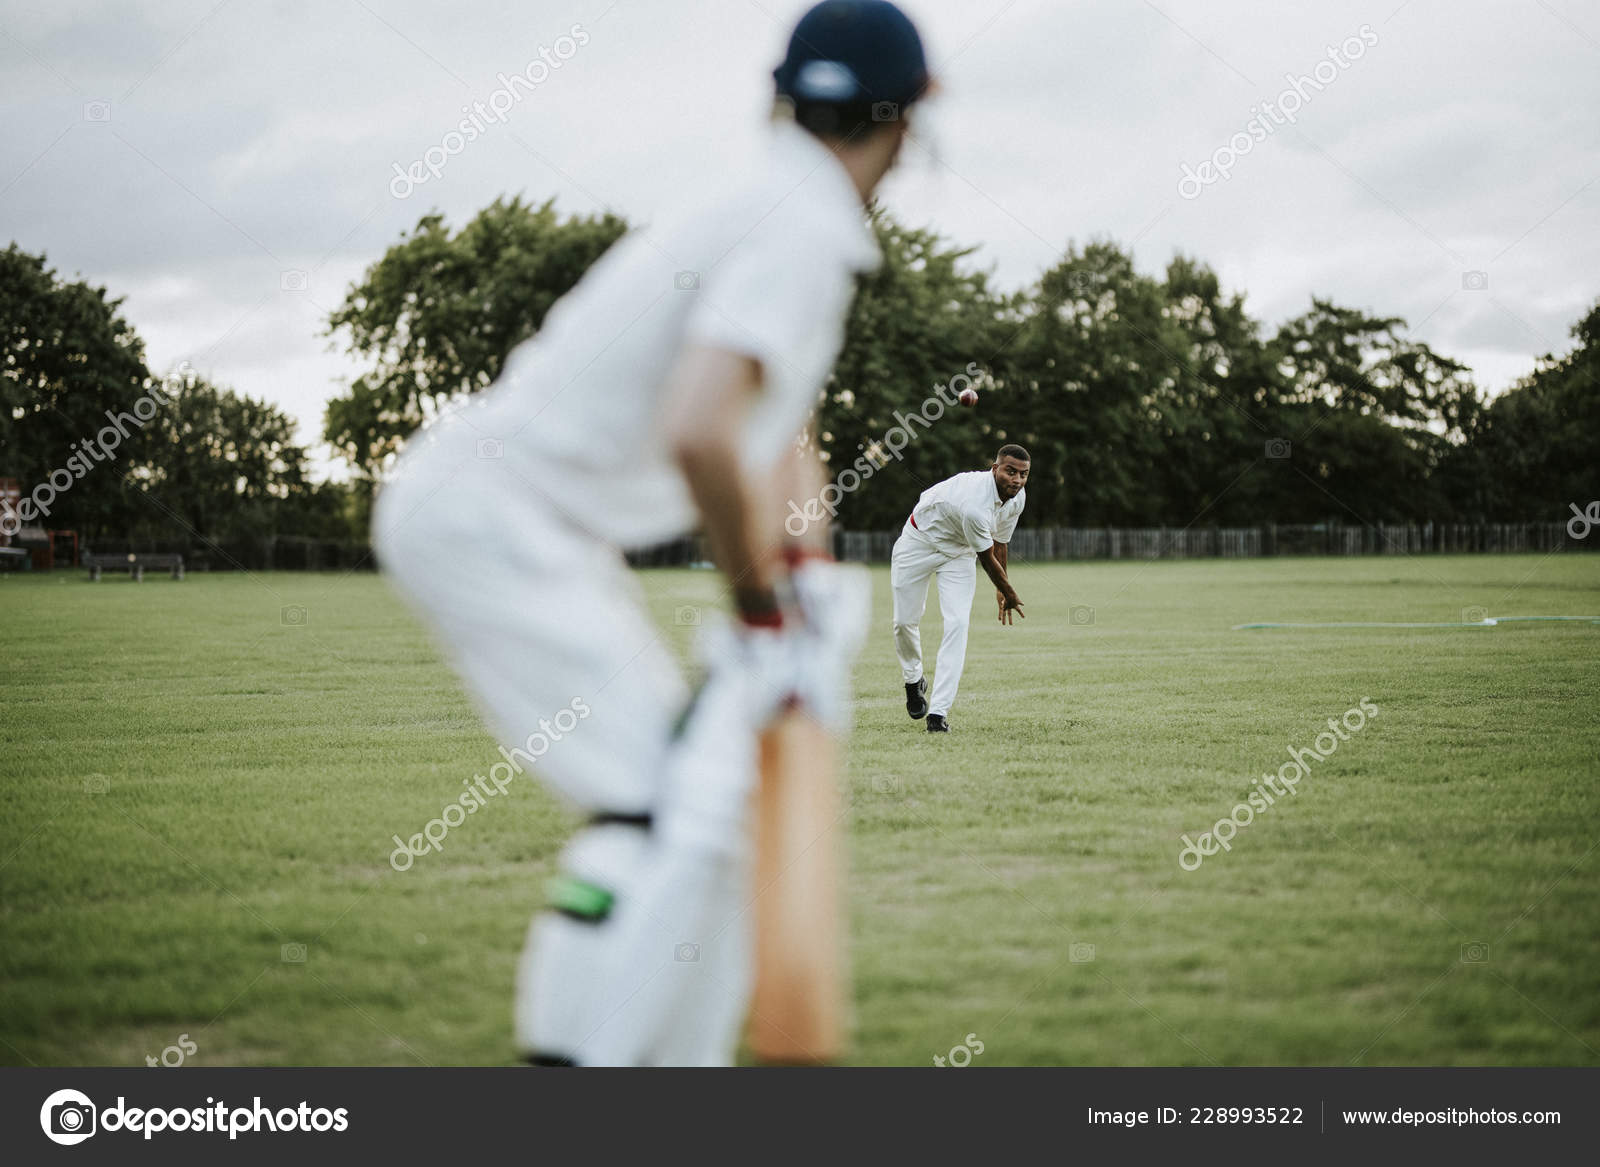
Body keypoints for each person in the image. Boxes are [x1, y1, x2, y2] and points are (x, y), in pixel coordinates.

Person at [372, 0, 934, 1065]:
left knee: (663, 807)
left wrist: (802, 561)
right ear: (908, 119)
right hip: (495, 521)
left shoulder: (763, 199)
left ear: (782, 96)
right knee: (662, 808)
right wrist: (758, 602)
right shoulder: (807, 223)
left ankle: (598, 1056)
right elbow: (698, 428)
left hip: (507, 516)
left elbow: (775, 424)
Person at [891, 445, 1029, 732]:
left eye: (1023, 474)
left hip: (959, 553)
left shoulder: (1017, 499)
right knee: (904, 622)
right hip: (920, 540)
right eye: (1010, 471)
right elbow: (987, 558)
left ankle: (938, 714)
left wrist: (1000, 590)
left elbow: (1000, 541)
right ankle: (913, 678)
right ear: (995, 468)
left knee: (957, 623)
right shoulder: (975, 505)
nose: (1016, 480)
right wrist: (1010, 591)